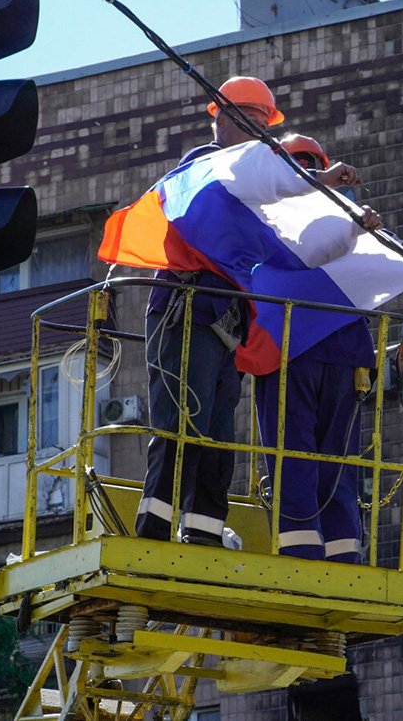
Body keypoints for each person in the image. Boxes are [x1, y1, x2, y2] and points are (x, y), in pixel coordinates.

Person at [135, 77, 359, 547]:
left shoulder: (255, 176)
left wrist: (349, 219)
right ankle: (154, 529)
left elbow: (285, 222)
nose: (259, 134)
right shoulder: (201, 166)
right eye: (250, 122)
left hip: (226, 314)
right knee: (183, 419)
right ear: (219, 117)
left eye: (264, 126)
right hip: (187, 306)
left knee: (218, 431)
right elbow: (239, 190)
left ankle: (203, 532)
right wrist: (320, 179)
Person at [255, 136, 394, 565]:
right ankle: (340, 549)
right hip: (339, 352)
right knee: (333, 455)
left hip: (295, 350)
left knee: (296, 452)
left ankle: (305, 548)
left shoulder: (268, 218)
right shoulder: (344, 221)